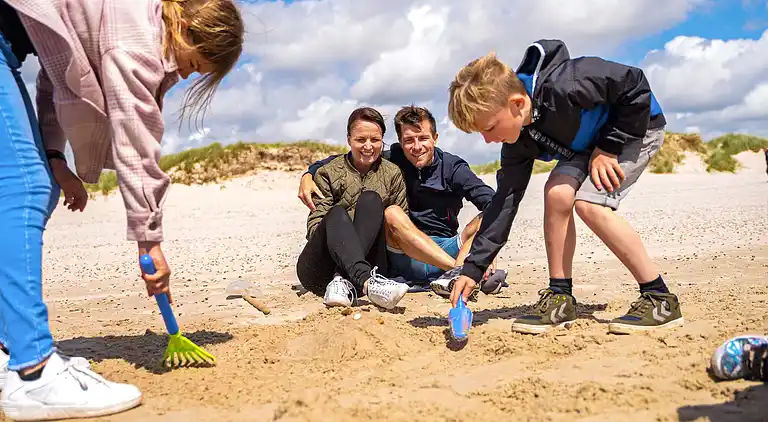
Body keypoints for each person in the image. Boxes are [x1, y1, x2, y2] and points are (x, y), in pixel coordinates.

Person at [0, 0, 243, 419]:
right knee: (27, 187)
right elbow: (136, 144)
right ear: (185, 27)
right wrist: (149, 241)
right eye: (194, 64)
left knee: (27, 183)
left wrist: (56, 155)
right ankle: (33, 371)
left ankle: (12, 349)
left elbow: (58, 75)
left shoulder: (128, 17)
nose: (186, 75)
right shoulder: (137, 41)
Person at [445, 39, 684, 335]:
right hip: (587, 146)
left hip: (634, 127)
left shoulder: (568, 83)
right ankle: (560, 296)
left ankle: (659, 298)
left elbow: (634, 83)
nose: (487, 140)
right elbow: (505, 203)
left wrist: (609, 147)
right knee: (557, 193)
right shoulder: (519, 141)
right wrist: (473, 268)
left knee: (588, 204)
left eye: (490, 127)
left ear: (517, 104)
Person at [298, 105, 506, 299]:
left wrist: (486, 249)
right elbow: (348, 157)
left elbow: (491, 201)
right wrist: (309, 173)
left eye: (423, 138)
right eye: (408, 140)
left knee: (488, 217)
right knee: (391, 212)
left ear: (435, 137)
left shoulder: (453, 168)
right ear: (399, 141)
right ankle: (459, 272)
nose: (416, 147)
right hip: (405, 249)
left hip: (447, 246)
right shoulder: (392, 158)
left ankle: (458, 275)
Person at [296, 106, 411, 310]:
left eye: (375, 140)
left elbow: (400, 226)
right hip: (321, 271)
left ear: (382, 140)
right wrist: (346, 231)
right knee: (337, 213)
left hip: (371, 264)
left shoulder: (392, 174)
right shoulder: (327, 173)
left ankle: (346, 279)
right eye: (360, 140)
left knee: (371, 200)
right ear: (349, 139)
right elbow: (315, 227)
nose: (368, 146)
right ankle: (365, 283)